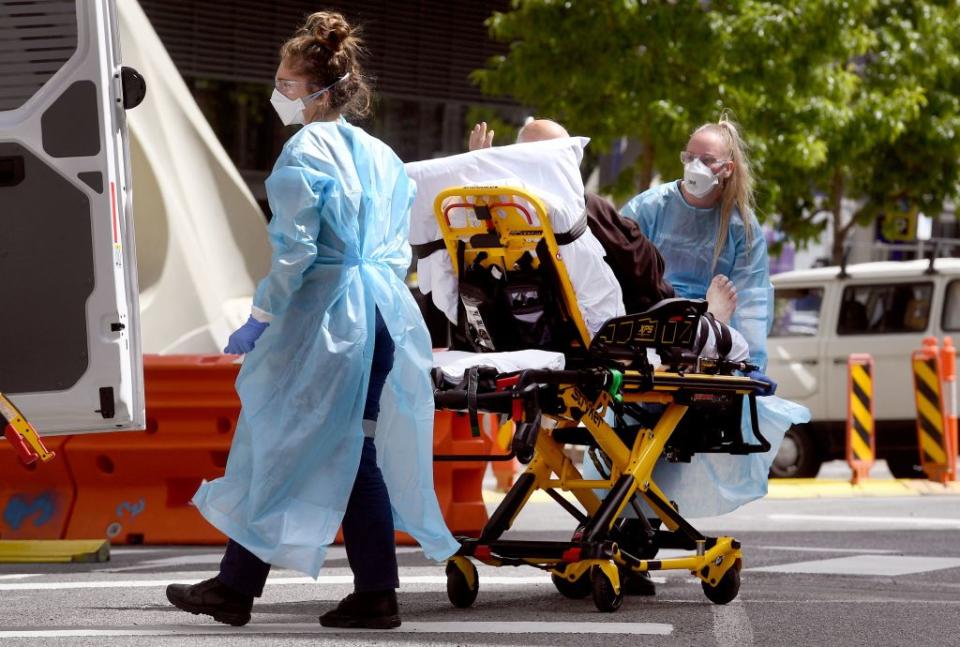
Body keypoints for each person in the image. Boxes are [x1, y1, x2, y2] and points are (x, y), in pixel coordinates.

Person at [165, 12, 458, 630]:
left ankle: (239, 588)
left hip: (331, 321)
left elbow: (295, 251)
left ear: (319, 90)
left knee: (285, 441)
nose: (279, 94)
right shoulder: (382, 155)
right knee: (353, 451)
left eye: (286, 83)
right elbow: (395, 244)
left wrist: (262, 315)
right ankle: (354, 591)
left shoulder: (305, 149)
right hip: (381, 315)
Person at [621, 116, 770, 370]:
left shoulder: (740, 226)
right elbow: (615, 262)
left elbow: (751, 306)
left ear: (728, 168)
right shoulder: (649, 208)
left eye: (707, 160)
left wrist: (751, 371)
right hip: (653, 324)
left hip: (707, 351)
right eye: (689, 157)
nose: (695, 166)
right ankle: (708, 321)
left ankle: (708, 325)